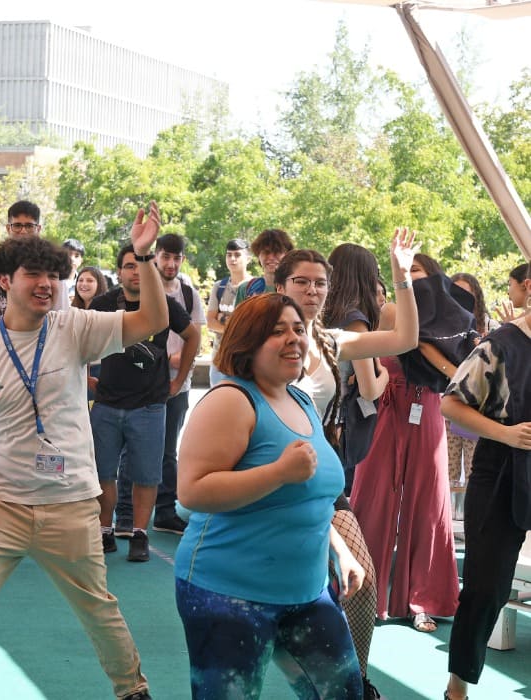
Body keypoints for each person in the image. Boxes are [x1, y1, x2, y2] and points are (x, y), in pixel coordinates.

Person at [0, 201, 164, 700]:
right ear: (4, 281)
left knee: (99, 607)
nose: (46, 284)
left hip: (71, 504)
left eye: (53, 275)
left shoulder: (75, 327)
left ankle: (133, 690)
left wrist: (142, 255)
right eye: (33, 274)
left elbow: (150, 317)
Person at [175, 292, 364, 699]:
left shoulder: (299, 398)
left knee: (346, 694)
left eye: (299, 328)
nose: (294, 338)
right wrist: (278, 473)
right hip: (229, 594)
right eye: (277, 331)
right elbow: (192, 490)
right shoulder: (230, 400)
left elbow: (309, 495)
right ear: (247, 342)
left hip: (308, 592)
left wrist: (339, 549)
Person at [274, 228, 419, 699]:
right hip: (265, 479)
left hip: (321, 479)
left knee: (363, 579)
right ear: (281, 287)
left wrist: (401, 277)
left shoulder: (334, 341)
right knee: (268, 598)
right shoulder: (259, 337)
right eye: (301, 281)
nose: (312, 290)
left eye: (320, 283)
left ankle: (354, 681)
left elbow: (404, 337)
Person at [350, 252, 462, 634]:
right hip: (389, 403)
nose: (411, 276)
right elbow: (379, 353)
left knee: (429, 501)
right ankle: (366, 592)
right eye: (406, 270)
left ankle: (423, 600)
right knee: (374, 492)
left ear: (434, 278)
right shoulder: (392, 311)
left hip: (428, 404)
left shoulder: (449, 319)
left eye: (418, 271)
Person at [442, 262, 531, 700]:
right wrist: (507, 434)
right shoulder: (501, 344)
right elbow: (452, 405)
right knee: (485, 588)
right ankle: (457, 686)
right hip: (499, 471)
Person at [90, 243, 199, 561]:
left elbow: (193, 336)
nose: (135, 271)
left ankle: (139, 533)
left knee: (147, 474)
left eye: (141, 265)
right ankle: (104, 530)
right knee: (102, 473)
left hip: (151, 404)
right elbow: (74, 336)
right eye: (128, 266)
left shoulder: (164, 304)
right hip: (107, 402)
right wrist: (83, 378)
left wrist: (178, 382)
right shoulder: (103, 303)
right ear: (119, 271)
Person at [115, 233, 205, 537]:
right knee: (131, 449)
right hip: (139, 385)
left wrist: (178, 376)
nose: (171, 263)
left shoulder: (189, 295)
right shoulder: (139, 290)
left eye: (177, 258)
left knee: (167, 450)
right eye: (165, 256)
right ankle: (125, 514)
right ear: (153, 257)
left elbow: (196, 336)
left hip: (175, 386)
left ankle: (165, 511)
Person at [323, 243, 390, 495]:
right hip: (335, 425)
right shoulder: (355, 322)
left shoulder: (322, 312)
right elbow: (370, 390)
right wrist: (384, 374)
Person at [446, 272, 499, 520]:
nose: (460, 298)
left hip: (478, 408)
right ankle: (445, 520)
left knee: (474, 467)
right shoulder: (441, 325)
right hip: (448, 405)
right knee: (448, 467)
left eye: (466, 293)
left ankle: (472, 520)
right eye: (455, 292)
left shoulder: (488, 327)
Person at [0, 200, 69, 323]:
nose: (23, 231)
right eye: (17, 226)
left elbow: (61, 314)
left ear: (38, 229)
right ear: (8, 228)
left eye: (29, 226)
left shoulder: (52, 265)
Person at [206, 237, 251, 386]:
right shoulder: (219, 286)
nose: (232, 259)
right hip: (219, 361)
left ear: (248, 258)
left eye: (237, 255)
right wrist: (236, 324)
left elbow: (251, 326)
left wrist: (223, 318)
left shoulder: (255, 287)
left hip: (245, 362)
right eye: (229, 254)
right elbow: (210, 322)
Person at [72, 265, 109, 401]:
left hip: (99, 371)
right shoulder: (72, 311)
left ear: (99, 284)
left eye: (89, 280)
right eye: (80, 280)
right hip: (75, 372)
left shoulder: (108, 312)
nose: (83, 284)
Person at [234, 228, 294, 304]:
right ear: (258, 256)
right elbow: (238, 316)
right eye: (266, 252)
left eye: (277, 252)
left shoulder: (296, 288)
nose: (271, 257)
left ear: (287, 255)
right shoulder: (246, 289)